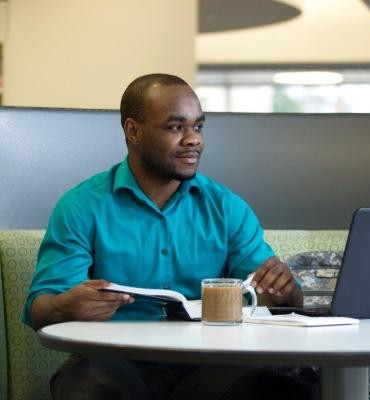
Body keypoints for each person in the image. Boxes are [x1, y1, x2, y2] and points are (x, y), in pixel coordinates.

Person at [22, 73, 318, 400]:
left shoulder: (226, 207)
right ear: (133, 131)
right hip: (114, 360)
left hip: (209, 363)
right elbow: (41, 308)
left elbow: (270, 296)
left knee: (280, 389)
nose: (194, 140)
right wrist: (67, 306)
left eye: (199, 127)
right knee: (90, 386)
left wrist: (285, 293)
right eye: (176, 128)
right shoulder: (82, 206)